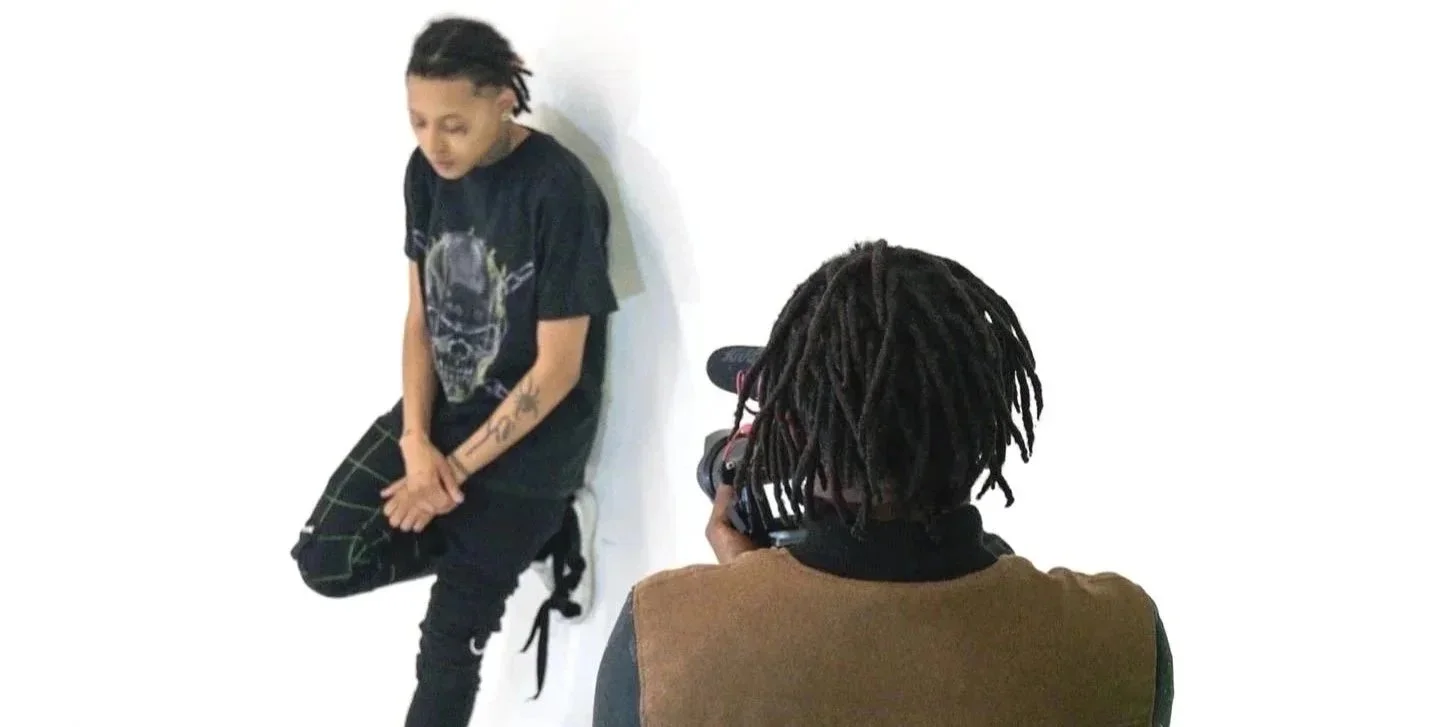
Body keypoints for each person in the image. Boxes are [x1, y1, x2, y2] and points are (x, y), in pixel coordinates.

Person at [593, 240, 1174, 726]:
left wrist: (748, 597)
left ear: (793, 433)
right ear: (987, 423)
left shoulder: (663, 637)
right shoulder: (1121, 635)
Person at [289, 16, 617, 726]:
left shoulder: (556, 191)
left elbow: (559, 370)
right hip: (444, 419)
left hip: (533, 449)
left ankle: (537, 526)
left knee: (445, 654)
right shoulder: (424, 174)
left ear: (503, 98)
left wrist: (451, 476)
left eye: (453, 125)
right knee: (327, 558)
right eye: (418, 121)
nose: (433, 144)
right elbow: (420, 316)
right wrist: (416, 442)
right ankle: (523, 540)